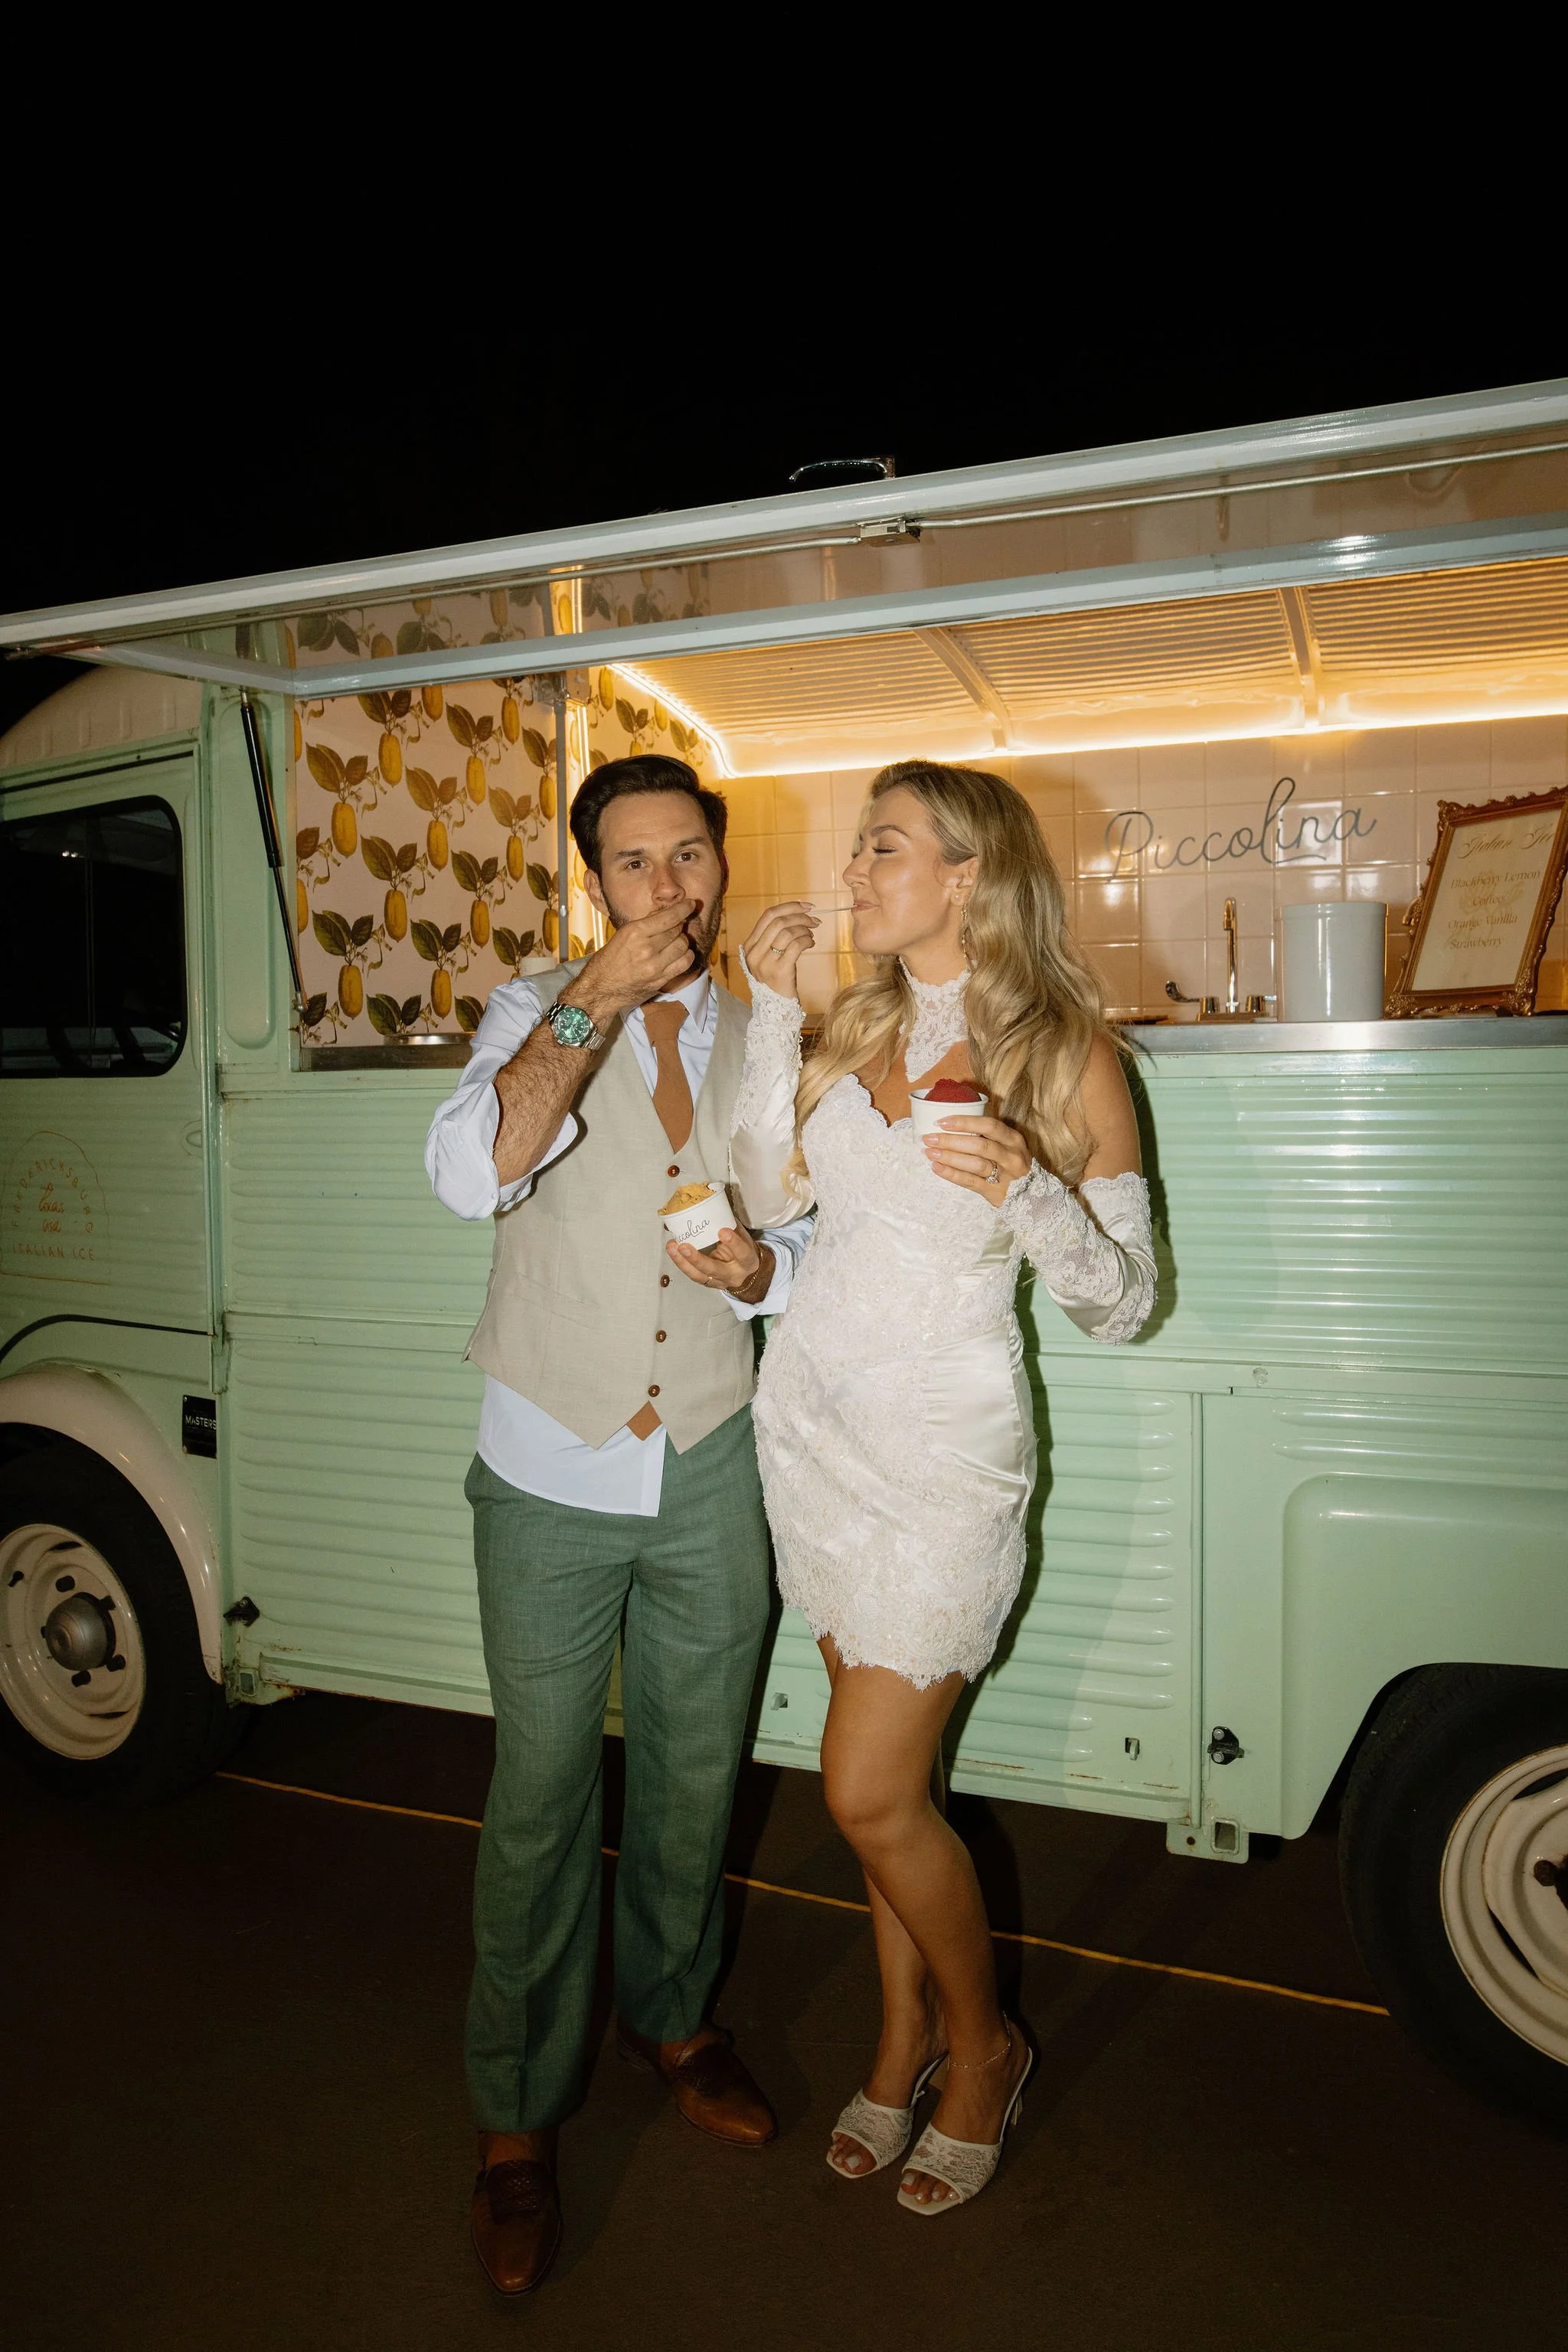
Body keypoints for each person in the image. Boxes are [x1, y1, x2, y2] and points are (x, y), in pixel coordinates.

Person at [714, 759, 1158, 2216]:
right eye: (858, 848)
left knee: (867, 1787)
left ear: (969, 873)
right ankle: (898, 2036)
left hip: (943, 1458)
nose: (853, 871)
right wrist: (775, 1015)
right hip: (815, 1435)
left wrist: (1026, 1187)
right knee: (878, 1798)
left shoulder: (1066, 1047)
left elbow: (1126, 1301)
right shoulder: (856, 1020)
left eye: (884, 847)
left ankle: (983, 2050)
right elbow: (775, 1201)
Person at [426, 754, 812, 2295]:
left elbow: (796, 1230)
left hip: (711, 1454)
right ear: (595, 883)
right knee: (534, 1798)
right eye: (637, 864)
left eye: (691, 857)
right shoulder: (536, 1010)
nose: (671, 889)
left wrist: (763, 1278)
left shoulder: (757, 1026)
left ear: (720, 864)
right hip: (547, 1463)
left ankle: (672, 2016)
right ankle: (514, 2121)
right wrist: (591, 998)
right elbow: (470, 1175)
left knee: (695, 1774)